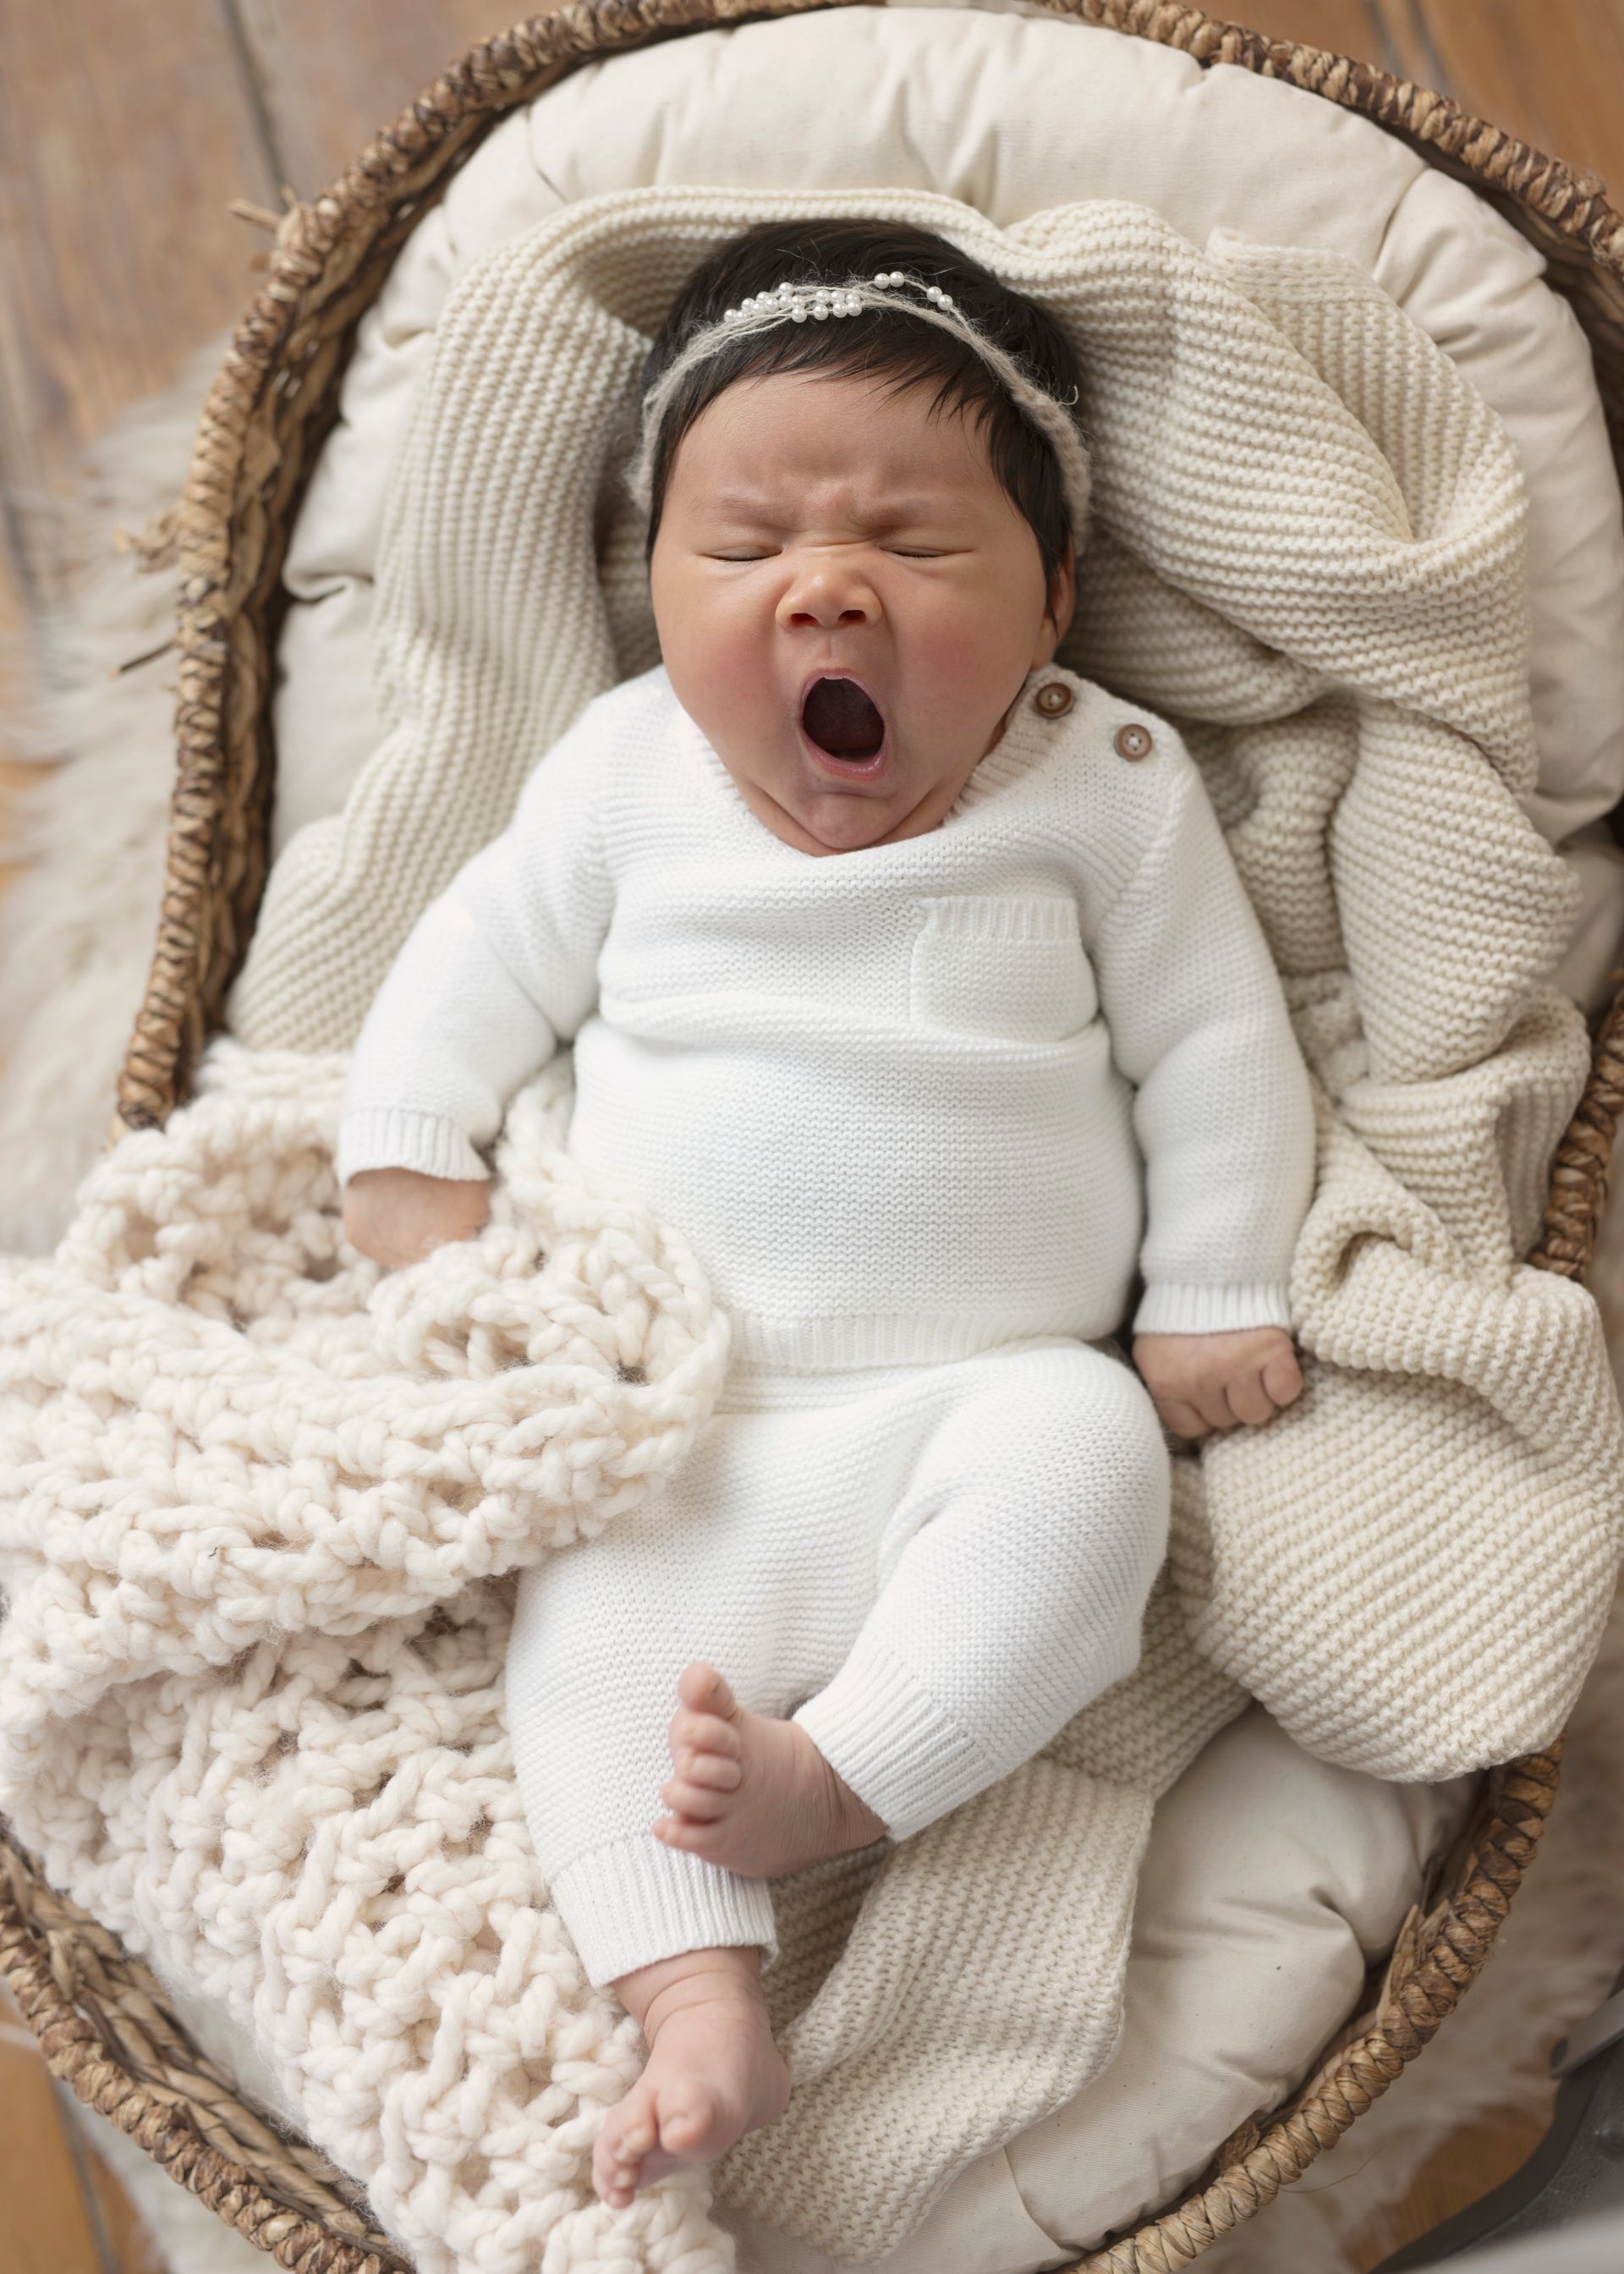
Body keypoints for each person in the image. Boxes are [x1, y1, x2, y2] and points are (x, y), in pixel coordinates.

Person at [337, 217, 1316, 2211]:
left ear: (1051, 599)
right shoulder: (621, 773)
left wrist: (1210, 1289)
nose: (824, 592)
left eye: (914, 546)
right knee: (585, 1643)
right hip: (683, 1427)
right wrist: (410, 1152)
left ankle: (847, 1779)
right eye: (745, 545)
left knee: (1091, 1465)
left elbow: (1219, 1050)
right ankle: (693, 1991)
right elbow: (471, 961)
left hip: (976, 1392)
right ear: (652, 589)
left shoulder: (1107, 790)